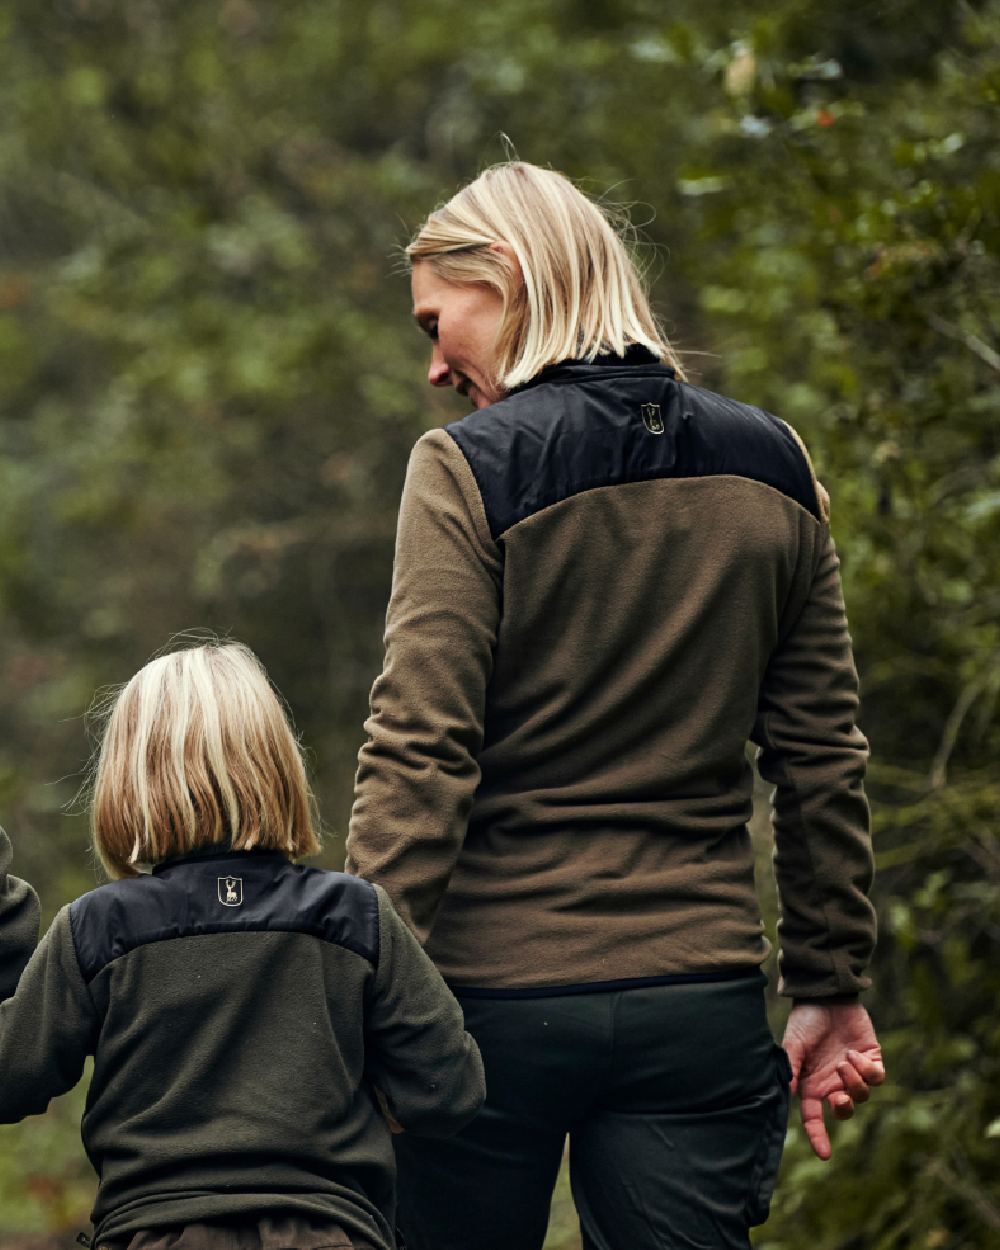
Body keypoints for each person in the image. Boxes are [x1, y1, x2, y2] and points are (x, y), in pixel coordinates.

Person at [345, 161, 885, 1250]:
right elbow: (821, 755)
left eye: (435, 322)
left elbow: (421, 747)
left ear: (503, 273)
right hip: (697, 1004)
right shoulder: (773, 465)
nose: (438, 365)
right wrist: (828, 980)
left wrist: (354, 994)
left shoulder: (466, 469)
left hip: (483, 1011)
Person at [0, 641, 484, 1250]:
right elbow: (452, 1091)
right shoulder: (357, 917)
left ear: (127, 776)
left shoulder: (97, 930)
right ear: (277, 763)